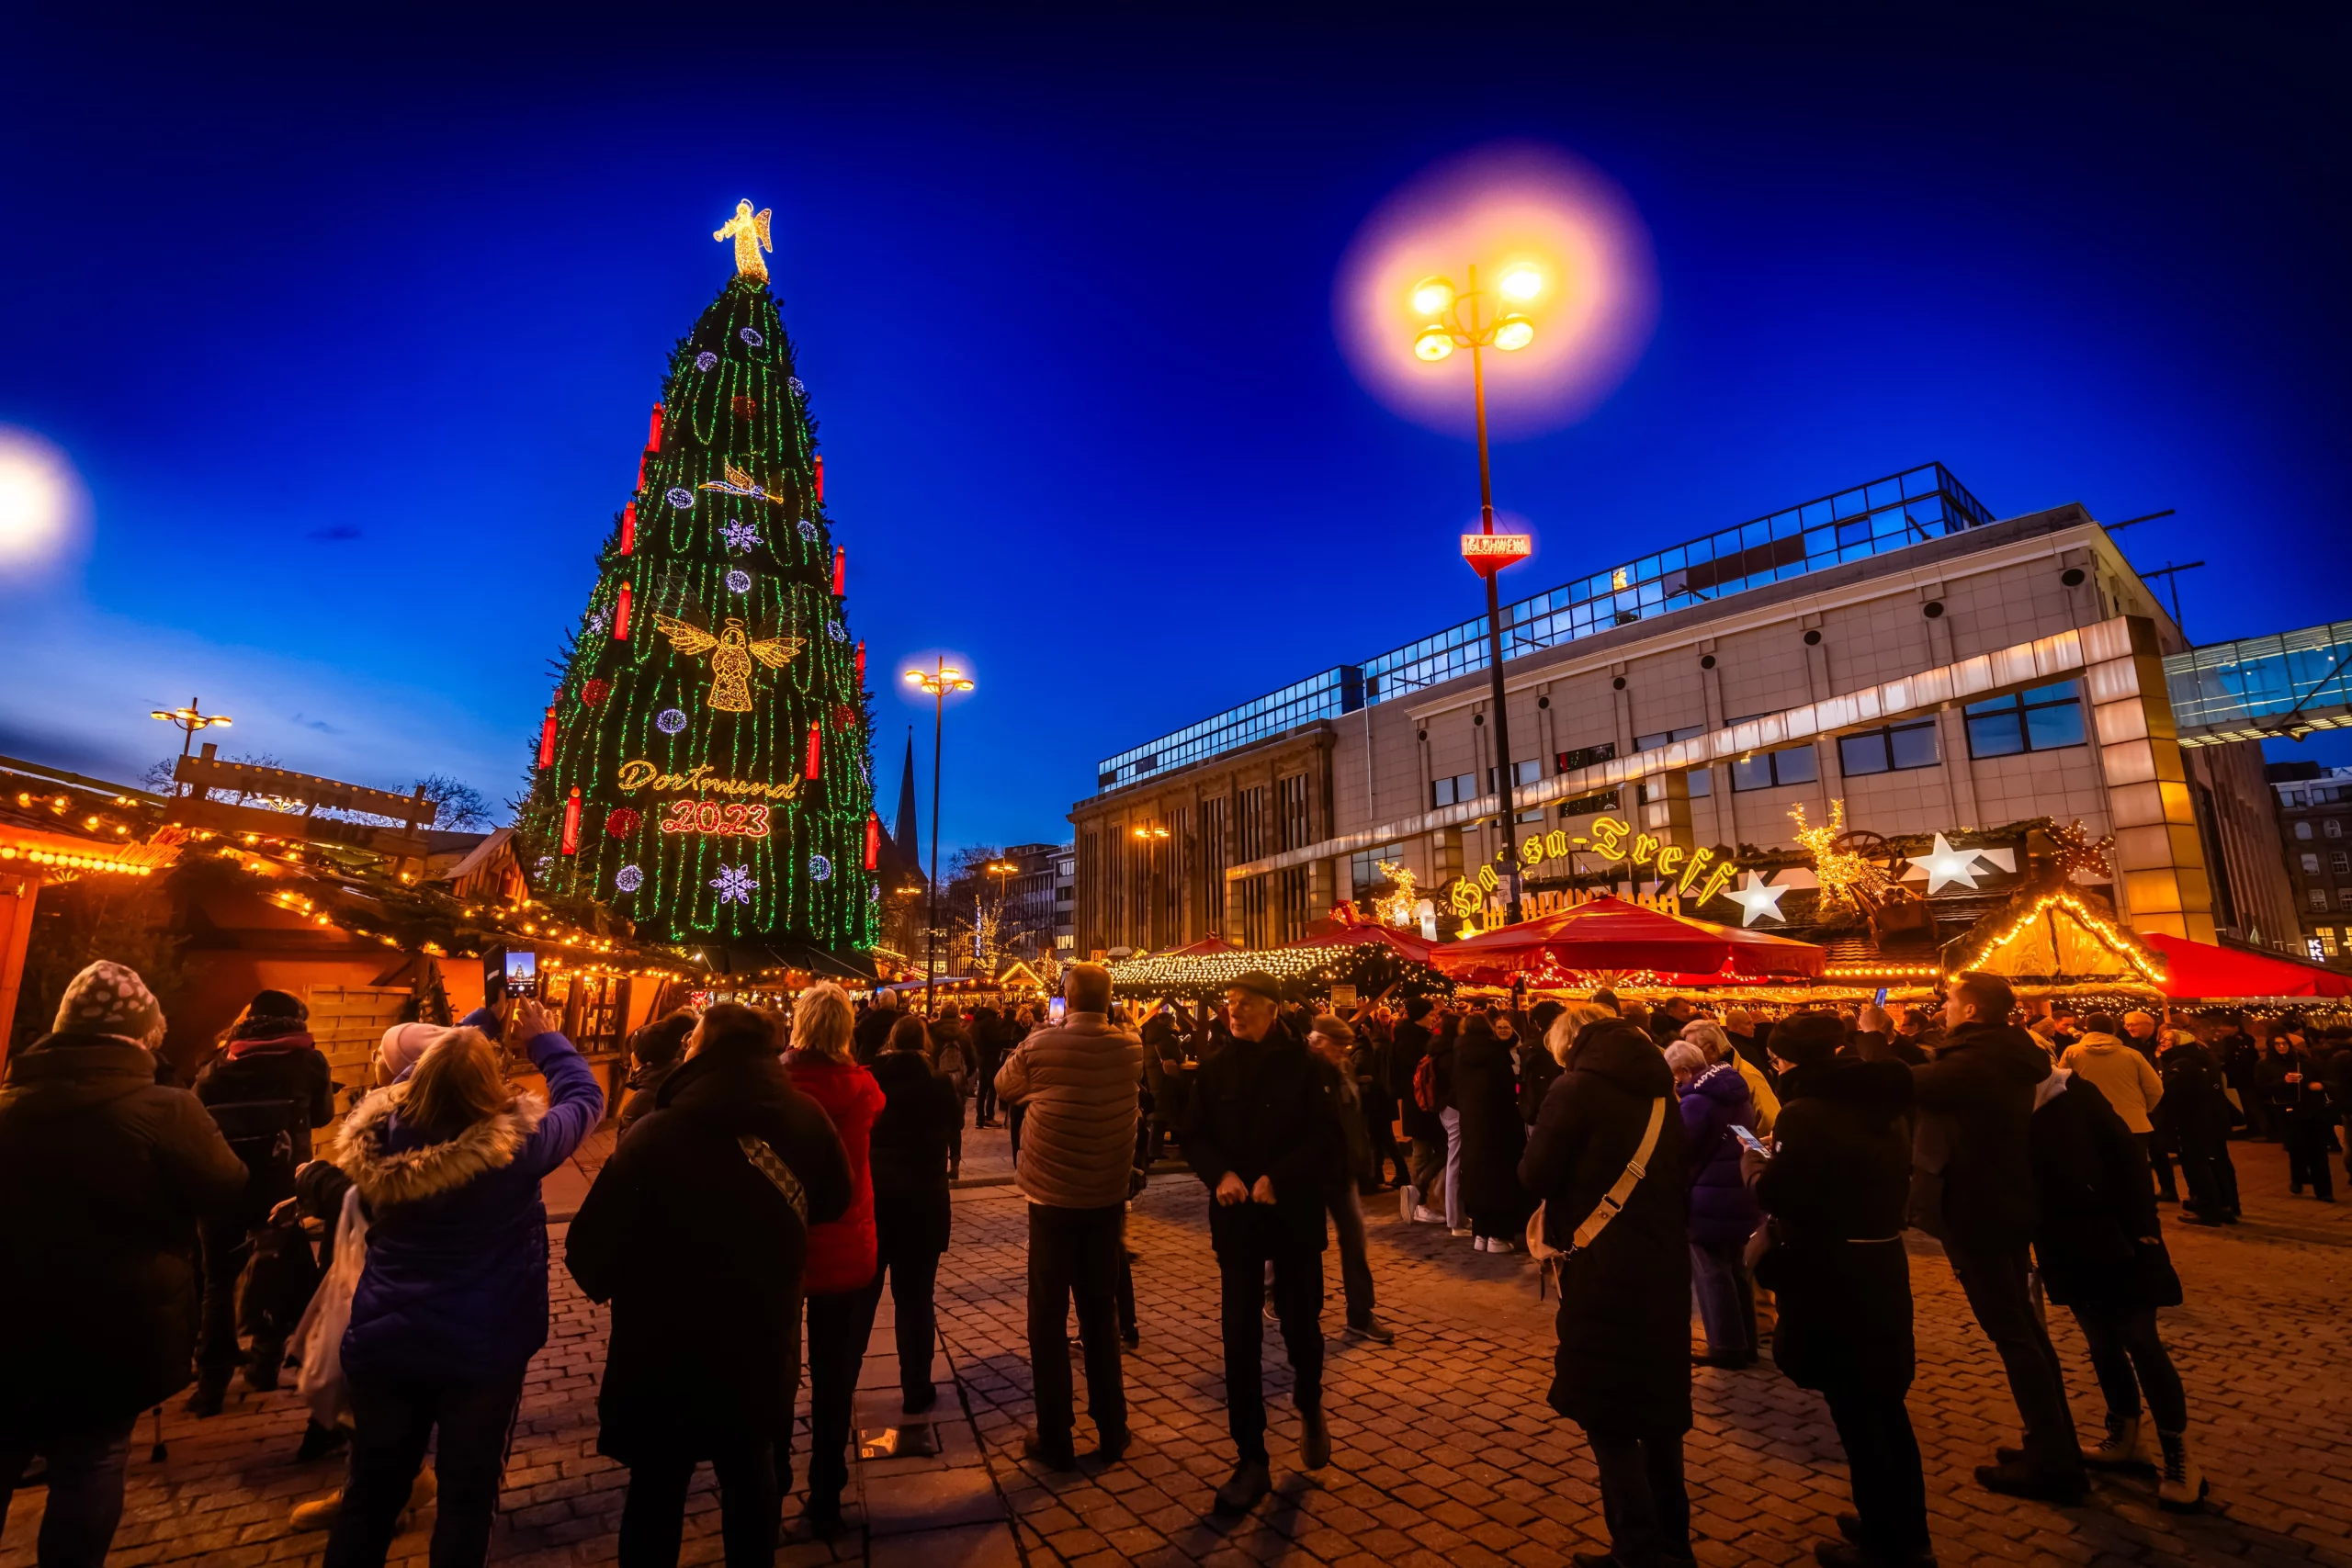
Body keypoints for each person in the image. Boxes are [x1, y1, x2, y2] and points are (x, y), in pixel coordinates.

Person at [566, 1002, 851, 1568]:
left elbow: (588, 1251)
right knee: (750, 1473)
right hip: (759, 1336)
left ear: (701, 1051)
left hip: (663, 1346)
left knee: (657, 1487)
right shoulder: (806, 1116)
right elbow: (835, 1200)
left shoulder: (654, 1133)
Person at [323, 998, 605, 1568]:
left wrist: (480, 1024)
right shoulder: (516, 1148)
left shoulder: (378, 1134)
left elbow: (419, 1076)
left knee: (371, 1496)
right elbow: (584, 1098)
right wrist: (543, 1038)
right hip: (485, 1346)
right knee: (468, 1499)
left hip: (387, 1340)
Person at [0, 962, 248, 1566]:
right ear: (144, 1035)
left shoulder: (7, 1104)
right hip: (116, 1322)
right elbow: (226, 1186)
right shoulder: (164, 1108)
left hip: (9, 1317)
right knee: (91, 1459)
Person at [1889, 971, 2086, 1502]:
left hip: (1977, 1206)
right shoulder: (2002, 1052)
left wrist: (1875, 1036)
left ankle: (2054, 1465)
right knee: (2023, 1328)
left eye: (1952, 1001)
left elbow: (1908, 1082)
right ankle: (2052, 1445)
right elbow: (1932, 1071)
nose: (1945, 1007)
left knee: (2013, 1334)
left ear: (1972, 1011)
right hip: (2000, 1201)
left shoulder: (1978, 1060)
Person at [1742, 1010, 1926, 1568]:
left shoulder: (1807, 1112)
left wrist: (1754, 1163)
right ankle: (1897, 1523)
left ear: (1790, 1060)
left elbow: (1786, 1192)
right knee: (1884, 1408)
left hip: (1834, 1272)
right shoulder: (1883, 1102)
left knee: (1859, 1412)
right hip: (1880, 1261)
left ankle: (1890, 1545)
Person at [1519, 1013, 1692, 1568]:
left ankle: (1637, 1549)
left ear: (1568, 1046)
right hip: (1663, 1263)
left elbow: (1535, 1174)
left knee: (1609, 1413)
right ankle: (1672, 1542)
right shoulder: (1663, 1092)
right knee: (1661, 1414)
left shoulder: (1574, 1090)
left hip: (1603, 1267)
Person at [1180, 971, 1346, 1514]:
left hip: (1292, 1217)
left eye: (1246, 1003)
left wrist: (1282, 1176)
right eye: (1230, 1003)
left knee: (1301, 1323)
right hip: (1237, 1221)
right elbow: (1194, 1134)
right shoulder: (1214, 1066)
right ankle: (1250, 1457)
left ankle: (1309, 1397)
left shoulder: (1308, 1067)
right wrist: (1219, 1175)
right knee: (1239, 1337)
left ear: (1273, 1009)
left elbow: (1327, 1140)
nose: (1235, 1011)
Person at [2025, 1049, 2205, 1512]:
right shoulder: (2019, 1110)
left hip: (2119, 1241)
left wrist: (2144, 1231)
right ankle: (2123, 1436)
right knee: (2100, 1342)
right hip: (2065, 1245)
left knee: (2141, 1341)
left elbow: (2128, 1162)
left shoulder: (2078, 1099)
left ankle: (2179, 1456)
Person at [994, 963, 1143, 1469]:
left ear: (1065, 996)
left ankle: (1055, 1433)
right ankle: (1112, 1426)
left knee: (1047, 1316)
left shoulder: (1041, 1045)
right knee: (1101, 1314)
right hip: (1104, 1198)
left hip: (1052, 1199)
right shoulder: (1131, 1048)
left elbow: (1004, 1086)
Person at [187, 987, 337, 1414]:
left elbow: (197, 1120)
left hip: (222, 1186)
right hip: (282, 1189)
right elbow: (324, 1114)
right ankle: (265, 1365)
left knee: (217, 1282)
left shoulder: (215, 1065)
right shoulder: (308, 1062)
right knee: (280, 1273)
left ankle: (211, 1384)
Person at [780, 983, 885, 1537]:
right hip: (844, 1239)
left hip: (783, 1245)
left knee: (775, 1370)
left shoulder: (777, 1086)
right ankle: (826, 1485)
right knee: (833, 1375)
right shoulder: (862, 1088)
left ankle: (771, 1475)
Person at [867, 1014, 962, 1416]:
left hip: (874, 1200)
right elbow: (955, 1124)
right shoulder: (938, 1084)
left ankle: (841, 1383)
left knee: (861, 1300)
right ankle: (916, 1388)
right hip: (923, 1203)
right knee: (916, 1300)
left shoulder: (870, 1078)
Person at [1666, 1041, 1759, 1370]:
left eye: (1675, 1076)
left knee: (1710, 1272)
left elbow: (1680, 1149)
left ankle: (1725, 1345)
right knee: (1735, 1268)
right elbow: (1749, 1139)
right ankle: (1747, 1341)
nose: (1675, 1083)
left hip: (1707, 1196)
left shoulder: (1696, 1102)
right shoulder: (1736, 1093)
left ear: (1686, 1071)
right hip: (1737, 1190)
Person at [1306, 1015, 1393, 1341]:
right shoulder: (1304, 1071)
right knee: (1300, 1244)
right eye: (1337, 1046)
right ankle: (1283, 1299)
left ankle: (1360, 1313)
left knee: (1355, 1240)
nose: (1343, 1052)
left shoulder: (1343, 1069)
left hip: (1343, 1172)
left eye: (1345, 1047)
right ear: (1318, 1040)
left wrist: (1361, 1161)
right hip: (1312, 1172)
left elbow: (1352, 1121)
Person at [1454, 1012, 1531, 1253]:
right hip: (1499, 1123)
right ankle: (1498, 1235)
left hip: (1471, 1122)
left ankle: (1481, 1233)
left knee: (1476, 1173)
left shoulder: (1459, 1054)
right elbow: (1508, 1088)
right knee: (1500, 1176)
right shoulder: (1495, 1052)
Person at [2060, 1015, 2165, 1190]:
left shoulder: (2072, 1053)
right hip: (2133, 1123)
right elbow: (2155, 1088)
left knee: (2100, 1173)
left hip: (2091, 1124)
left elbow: (2061, 1085)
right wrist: (2142, 1109)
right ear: (2113, 1030)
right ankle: (2143, 1211)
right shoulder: (2132, 1054)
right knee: (2137, 1172)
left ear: (2088, 1028)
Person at [2155, 1024, 2240, 1223]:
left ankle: (2208, 1210)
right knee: (2216, 1163)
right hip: (2209, 1120)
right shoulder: (2200, 1059)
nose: (2162, 1044)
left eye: (2167, 1041)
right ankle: (2225, 1205)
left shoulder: (2182, 1064)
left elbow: (2171, 1093)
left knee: (2198, 1166)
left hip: (2192, 1122)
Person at [2256, 1019, 2335, 1201]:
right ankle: (2299, 1178)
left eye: (2284, 1043)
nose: (2281, 1047)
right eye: (2277, 1044)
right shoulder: (2264, 1065)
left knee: (2318, 1151)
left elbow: (2323, 1079)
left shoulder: (2304, 1063)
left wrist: (2319, 1085)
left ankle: (2324, 1191)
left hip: (2311, 1109)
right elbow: (2261, 1087)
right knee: (2296, 1148)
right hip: (2286, 1111)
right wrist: (2282, 1082)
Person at [1389, 997, 1445, 1223]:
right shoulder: (1419, 1042)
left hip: (1415, 1104)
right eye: (1431, 1013)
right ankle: (1418, 1196)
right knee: (1443, 1150)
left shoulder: (1402, 1038)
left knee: (1423, 1152)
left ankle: (1418, 1199)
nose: (1434, 1016)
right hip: (1425, 1102)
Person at [1680, 1020, 1777, 1135]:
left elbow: (1770, 1120)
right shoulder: (1708, 1076)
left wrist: (1750, 1147)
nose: (1688, 1058)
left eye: (1693, 1052)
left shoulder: (1748, 1076)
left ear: (1712, 1049)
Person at [616, 1010, 695, 1135]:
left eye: (633, 1051)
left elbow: (628, 1147)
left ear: (646, 1062)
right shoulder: (675, 1081)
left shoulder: (645, 1097)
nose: (631, 1055)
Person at [1350, 1010, 1405, 1189]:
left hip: (1377, 1100)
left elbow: (1369, 1074)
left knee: (1381, 1138)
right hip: (1381, 1099)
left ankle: (1392, 1174)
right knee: (1383, 1138)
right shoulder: (1374, 1047)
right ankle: (1385, 1175)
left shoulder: (1371, 1049)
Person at [929, 1010, 972, 1180]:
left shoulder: (932, 1032)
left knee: (938, 1123)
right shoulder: (964, 1035)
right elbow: (972, 1061)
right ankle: (954, 1164)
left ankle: (939, 1163)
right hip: (957, 1084)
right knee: (955, 1126)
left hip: (937, 1082)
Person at [853, 987, 899, 1064]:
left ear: (879, 1002)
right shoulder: (900, 1021)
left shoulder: (869, 1020)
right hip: (893, 1063)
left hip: (869, 1063)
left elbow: (856, 1036)